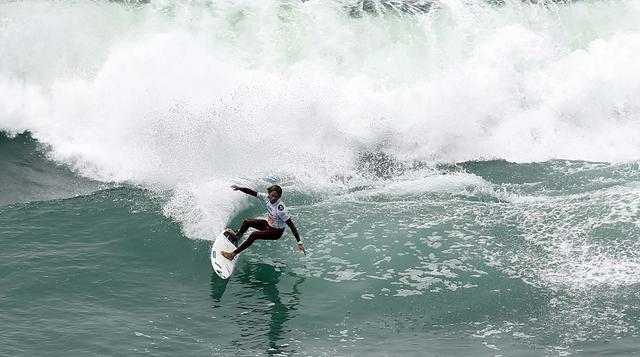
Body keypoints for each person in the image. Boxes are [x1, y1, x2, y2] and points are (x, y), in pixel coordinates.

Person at [221, 184, 305, 260]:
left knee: (254, 235)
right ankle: (237, 235)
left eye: (276, 196)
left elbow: (291, 225)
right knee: (247, 221)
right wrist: (240, 188)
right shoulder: (266, 197)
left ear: (279, 197)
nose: (273, 198)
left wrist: (299, 242)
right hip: (268, 225)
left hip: (275, 232)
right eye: (272, 195)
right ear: (269, 193)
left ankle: (232, 254)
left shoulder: (281, 210)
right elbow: (252, 192)